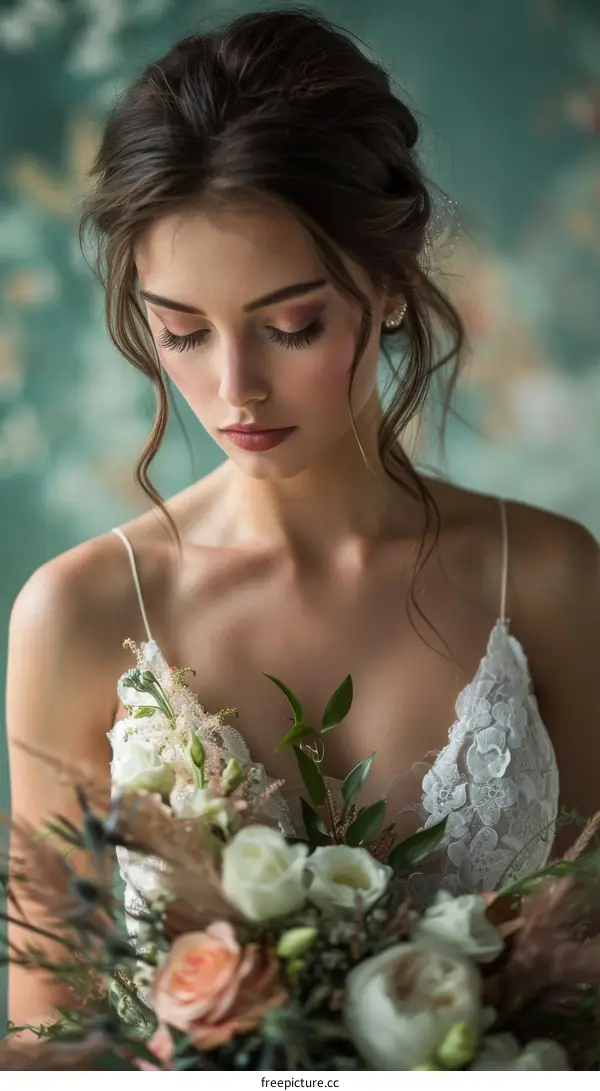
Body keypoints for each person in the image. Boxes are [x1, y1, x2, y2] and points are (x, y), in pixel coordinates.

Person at [5, 5, 599, 1033]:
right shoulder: (79, 611)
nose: (236, 388)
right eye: (182, 333)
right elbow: (41, 1036)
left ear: (392, 286)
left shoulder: (546, 576)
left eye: (292, 325)